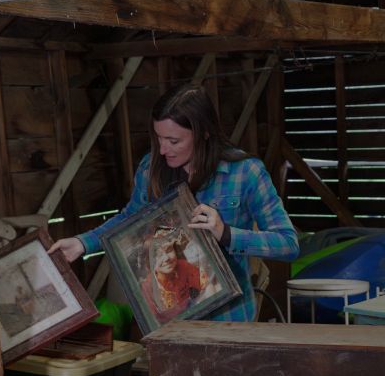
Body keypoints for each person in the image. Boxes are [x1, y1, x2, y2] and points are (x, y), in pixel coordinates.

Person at [49, 84, 299, 322]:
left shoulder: (246, 172)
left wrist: (226, 233)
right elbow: (129, 220)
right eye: (159, 138)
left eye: (174, 141)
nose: (163, 149)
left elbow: (288, 245)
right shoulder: (151, 168)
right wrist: (84, 243)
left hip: (228, 320)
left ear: (204, 133)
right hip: (167, 320)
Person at [141, 230, 202, 323]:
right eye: (157, 255)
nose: (166, 258)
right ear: (148, 262)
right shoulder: (148, 287)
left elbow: (201, 282)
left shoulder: (183, 266)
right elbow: (157, 319)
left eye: (169, 250)